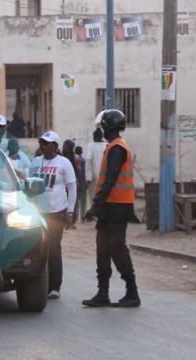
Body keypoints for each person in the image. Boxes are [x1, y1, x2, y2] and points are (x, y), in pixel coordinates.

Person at [83, 109, 140, 308]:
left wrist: (94, 206)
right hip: (109, 207)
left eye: (104, 127)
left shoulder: (117, 148)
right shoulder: (112, 147)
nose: (102, 130)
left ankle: (132, 292)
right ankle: (103, 293)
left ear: (109, 127)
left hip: (118, 207)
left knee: (117, 248)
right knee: (102, 249)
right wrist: (99, 206)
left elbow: (110, 180)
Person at [28, 130, 76, 300]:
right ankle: (39, 283)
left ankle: (55, 286)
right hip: (38, 212)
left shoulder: (64, 163)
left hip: (57, 211)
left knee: (53, 248)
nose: (42, 145)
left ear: (54, 146)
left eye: (46, 143)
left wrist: (70, 212)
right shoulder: (34, 162)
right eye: (41, 142)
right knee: (37, 247)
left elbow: (72, 187)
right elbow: (29, 186)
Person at [85, 127, 108, 195]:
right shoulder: (107, 145)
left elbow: (88, 161)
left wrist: (88, 177)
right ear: (102, 136)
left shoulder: (91, 146)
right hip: (105, 174)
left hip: (94, 176)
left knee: (93, 195)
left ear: (94, 137)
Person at [74, 145, 89, 219]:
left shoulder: (75, 160)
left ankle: (76, 217)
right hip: (83, 182)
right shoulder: (83, 160)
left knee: (76, 201)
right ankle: (82, 216)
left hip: (76, 183)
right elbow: (85, 173)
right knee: (83, 201)